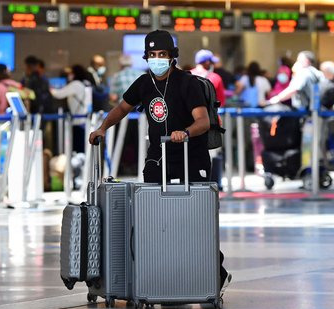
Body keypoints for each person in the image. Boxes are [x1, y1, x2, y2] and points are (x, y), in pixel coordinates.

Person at [88, 30, 230, 293]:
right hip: (158, 158)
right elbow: (121, 108)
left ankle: (216, 271)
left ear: (172, 57)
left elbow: (203, 121)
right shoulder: (144, 84)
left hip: (190, 157)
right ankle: (165, 275)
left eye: (162, 55)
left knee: (195, 219)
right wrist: (102, 128)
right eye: (152, 55)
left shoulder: (187, 84)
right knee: (155, 219)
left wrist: (184, 132)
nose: (157, 60)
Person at [50, 65, 92, 153]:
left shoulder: (75, 84)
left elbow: (59, 94)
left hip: (78, 121)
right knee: (83, 148)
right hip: (85, 120)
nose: (69, 75)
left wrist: (50, 89)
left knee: (77, 148)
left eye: (71, 73)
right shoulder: (85, 83)